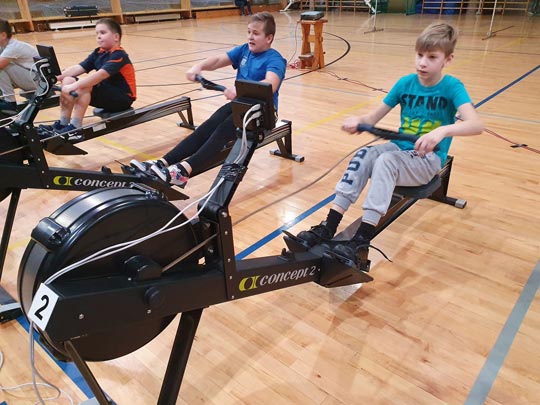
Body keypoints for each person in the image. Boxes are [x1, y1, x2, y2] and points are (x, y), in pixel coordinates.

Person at [295, 21, 484, 267]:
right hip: (401, 150)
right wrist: (358, 122)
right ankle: (328, 226)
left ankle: (361, 239)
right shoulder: (405, 83)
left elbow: (476, 125)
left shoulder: (452, 87)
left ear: (448, 60)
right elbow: (372, 118)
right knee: (364, 154)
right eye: (419, 55)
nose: (422, 63)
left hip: (428, 159)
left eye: (431, 57)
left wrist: (442, 131)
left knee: (386, 161)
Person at [130, 12, 286, 188]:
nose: (250, 36)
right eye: (249, 32)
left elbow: (270, 84)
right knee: (208, 126)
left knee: (223, 129)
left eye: (256, 33)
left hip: (262, 114)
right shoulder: (244, 50)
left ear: (269, 38)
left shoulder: (275, 59)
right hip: (242, 106)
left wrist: (240, 90)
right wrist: (199, 67)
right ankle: (162, 163)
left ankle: (183, 171)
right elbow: (218, 60)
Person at [38, 18, 136, 138]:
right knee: (68, 79)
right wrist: (56, 78)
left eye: (103, 33)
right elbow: (79, 67)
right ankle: (63, 124)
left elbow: (100, 75)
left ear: (116, 37)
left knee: (84, 85)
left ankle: (76, 128)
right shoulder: (99, 52)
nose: (98, 36)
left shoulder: (119, 55)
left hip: (123, 98)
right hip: (107, 94)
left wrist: (73, 86)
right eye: (97, 33)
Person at [0, 19, 39, 115]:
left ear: (3, 35)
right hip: (29, 77)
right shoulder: (3, 46)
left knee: (2, 66)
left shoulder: (13, 47)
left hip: (37, 81)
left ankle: (10, 103)